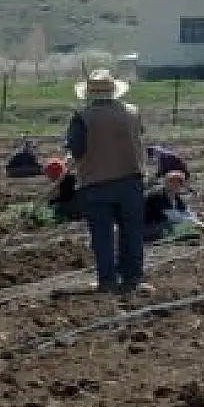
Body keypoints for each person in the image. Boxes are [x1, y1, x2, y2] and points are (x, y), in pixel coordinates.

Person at [65, 69, 148, 294]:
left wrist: (71, 159)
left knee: (102, 235)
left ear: (89, 94)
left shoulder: (82, 117)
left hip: (95, 183)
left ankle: (107, 280)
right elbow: (138, 138)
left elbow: (76, 149)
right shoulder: (132, 113)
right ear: (114, 92)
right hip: (131, 180)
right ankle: (132, 278)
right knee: (131, 232)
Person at [143, 171, 204, 242]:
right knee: (182, 226)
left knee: (189, 227)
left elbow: (186, 213)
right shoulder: (157, 196)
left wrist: (198, 222)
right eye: (172, 182)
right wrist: (199, 224)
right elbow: (173, 217)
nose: (175, 185)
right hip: (151, 227)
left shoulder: (177, 198)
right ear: (166, 183)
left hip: (165, 224)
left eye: (178, 182)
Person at [43, 156, 81, 223]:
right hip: (75, 202)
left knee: (55, 205)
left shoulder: (66, 180)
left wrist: (51, 200)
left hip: (73, 204)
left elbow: (64, 197)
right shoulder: (68, 178)